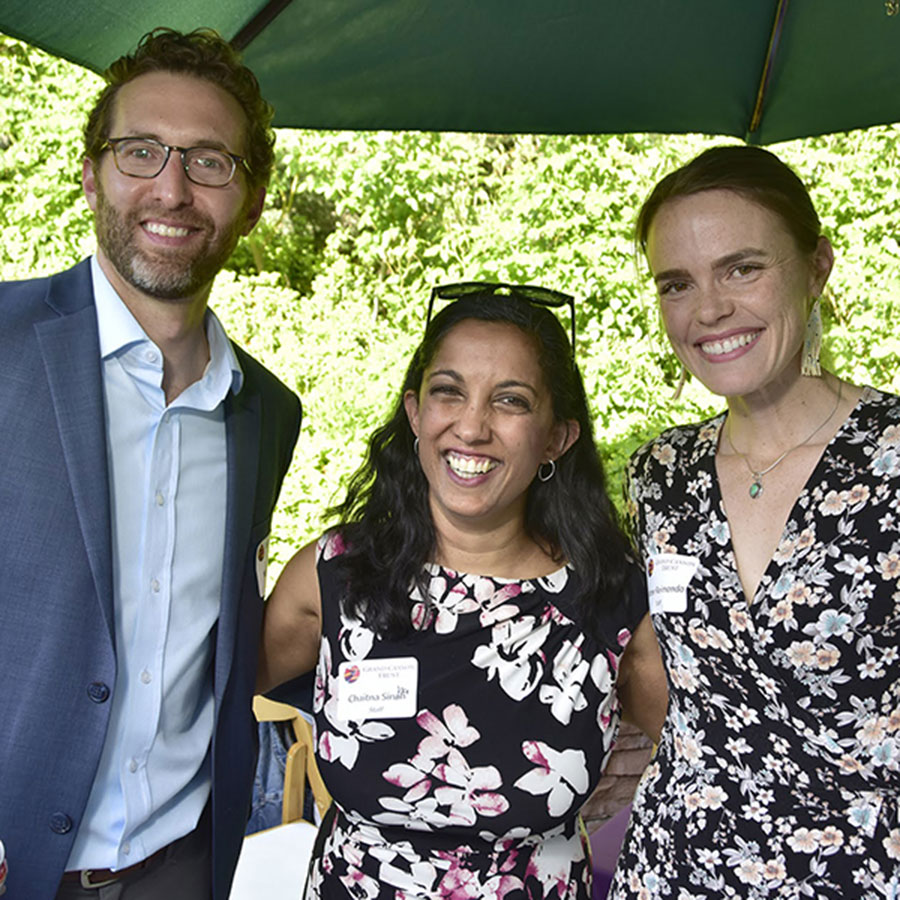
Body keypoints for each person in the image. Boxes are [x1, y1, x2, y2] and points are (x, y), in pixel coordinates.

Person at [0, 28, 301, 900]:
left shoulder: (267, 414)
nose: (171, 188)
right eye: (142, 152)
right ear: (93, 174)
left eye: (210, 161)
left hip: (181, 868)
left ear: (250, 199)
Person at [258, 284, 661, 898]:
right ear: (416, 413)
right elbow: (207, 706)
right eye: (450, 392)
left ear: (557, 437)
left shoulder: (612, 599)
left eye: (511, 401)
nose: (471, 427)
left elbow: (709, 753)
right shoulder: (334, 577)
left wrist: (641, 771)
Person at [611, 145, 900, 898]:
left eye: (742, 268)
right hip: (675, 870)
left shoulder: (892, 456)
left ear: (816, 266)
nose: (708, 310)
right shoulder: (660, 475)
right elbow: (661, 669)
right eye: (677, 284)